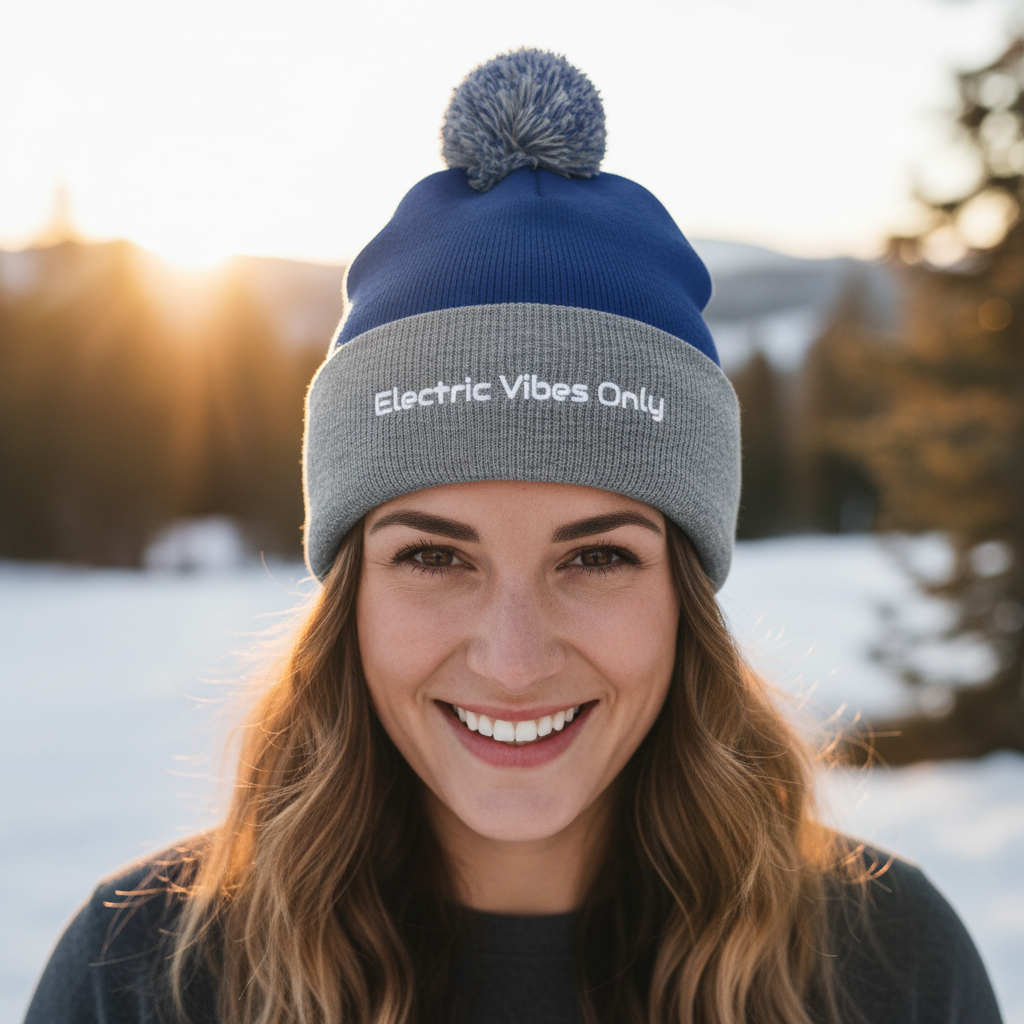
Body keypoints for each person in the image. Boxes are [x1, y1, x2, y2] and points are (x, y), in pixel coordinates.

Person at [25, 49, 1002, 1024]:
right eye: (436, 557)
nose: (514, 658)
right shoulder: (147, 977)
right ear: (351, 592)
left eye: (597, 556)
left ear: (685, 596)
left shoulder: (887, 966)